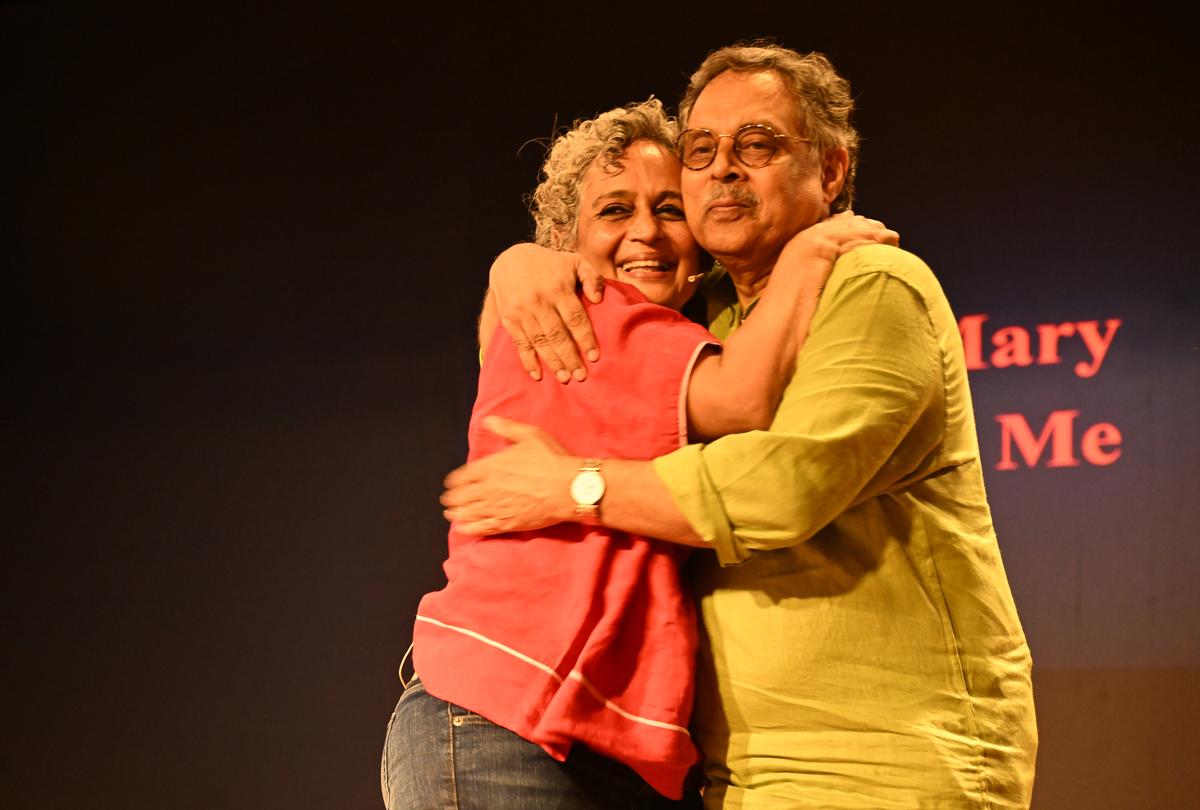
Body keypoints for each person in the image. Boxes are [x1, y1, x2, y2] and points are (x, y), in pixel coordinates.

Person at [442, 43, 1038, 808]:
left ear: (830, 172)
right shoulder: (700, 316)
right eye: (703, 150)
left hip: (887, 762)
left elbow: (783, 488)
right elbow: (559, 323)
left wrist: (575, 486)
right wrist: (521, 263)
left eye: (757, 145)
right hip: (731, 777)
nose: (723, 168)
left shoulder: (875, 284)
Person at [382, 97, 896, 809]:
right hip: (501, 718)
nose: (646, 232)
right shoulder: (601, 317)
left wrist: (514, 262)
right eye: (615, 211)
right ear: (565, 236)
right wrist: (810, 255)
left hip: (578, 736)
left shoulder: (594, 322)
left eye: (669, 209)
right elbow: (743, 397)